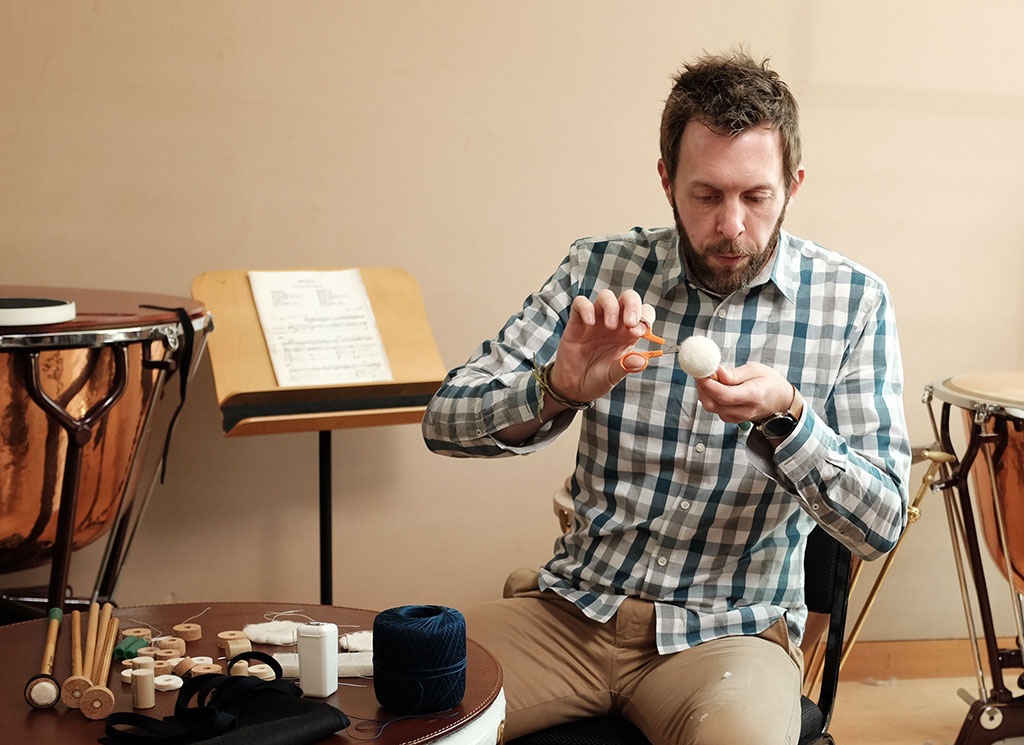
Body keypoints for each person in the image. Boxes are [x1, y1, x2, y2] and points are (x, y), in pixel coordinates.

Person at [421, 50, 910, 745]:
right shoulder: (599, 269)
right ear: (666, 181)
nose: (732, 224)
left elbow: (882, 522)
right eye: (706, 195)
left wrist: (790, 421)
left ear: (793, 185)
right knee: (398, 704)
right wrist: (555, 388)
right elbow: (444, 419)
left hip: (730, 636)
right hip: (571, 611)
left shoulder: (854, 302)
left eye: (756, 196)